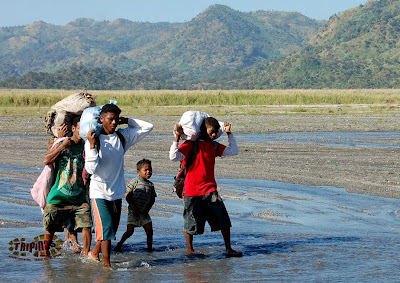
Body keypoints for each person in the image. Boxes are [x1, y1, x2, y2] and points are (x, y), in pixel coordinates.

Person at [84, 104, 154, 269]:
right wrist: (93, 147)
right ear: (101, 119)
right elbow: (91, 169)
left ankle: (94, 253)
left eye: (116, 119)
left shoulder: (122, 137)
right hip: (99, 192)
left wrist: (127, 120)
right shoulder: (93, 140)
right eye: (111, 119)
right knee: (107, 229)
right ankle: (107, 266)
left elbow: (148, 127)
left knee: (111, 230)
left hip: (116, 192)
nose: (114, 122)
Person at [169, 117, 242, 257]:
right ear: (203, 130)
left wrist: (229, 134)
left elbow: (234, 151)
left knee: (224, 221)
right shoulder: (190, 145)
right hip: (192, 191)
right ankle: (190, 250)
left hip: (210, 190)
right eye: (211, 132)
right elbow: (173, 157)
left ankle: (228, 248)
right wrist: (176, 138)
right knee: (190, 224)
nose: (214, 135)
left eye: (215, 132)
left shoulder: (213, 146)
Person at [41, 117, 92, 257]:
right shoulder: (63, 144)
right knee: (50, 229)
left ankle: (86, 256)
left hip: (79, 197)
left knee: (87, 225)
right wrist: (61, 144)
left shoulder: (87, 146)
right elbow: (47, 160)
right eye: (80, 128)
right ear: (73, 129)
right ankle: (45, 254)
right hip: (58, 196)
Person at [115, 159, 156, 253]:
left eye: (150, 170)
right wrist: (133, 207)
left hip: (144, 212)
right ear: (138, 172)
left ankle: (150, 249)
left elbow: (152, 198)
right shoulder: (134, 181)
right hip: (133, 212)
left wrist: (147, 209)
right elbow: (127, 195)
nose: (148, 172)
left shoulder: (150, 185)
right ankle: (119, 244)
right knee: (130, 231)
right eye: (145, 170)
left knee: (149, 231)